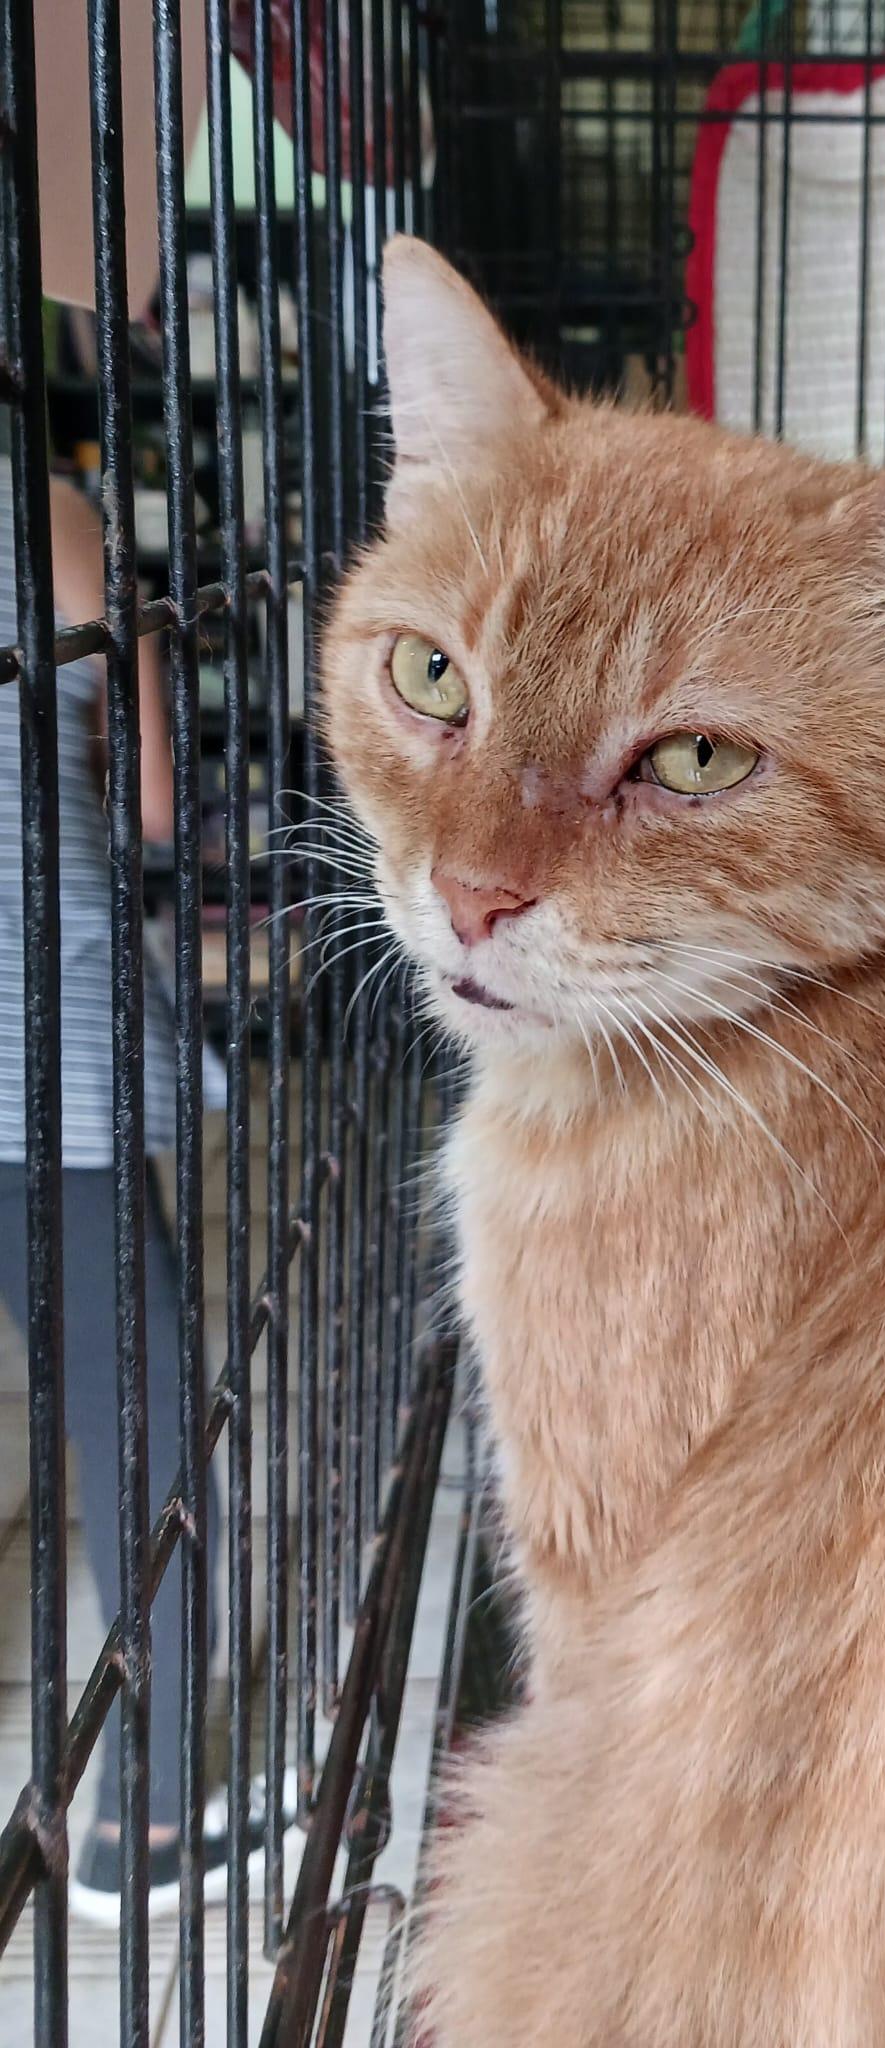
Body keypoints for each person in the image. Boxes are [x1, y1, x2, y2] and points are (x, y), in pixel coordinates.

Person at [0, 456, 257, 1924]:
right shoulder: (52, 509)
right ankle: (149, 1832)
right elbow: (159, 812)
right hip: (39, 1035)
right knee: (143, 1411)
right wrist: (148, 631)